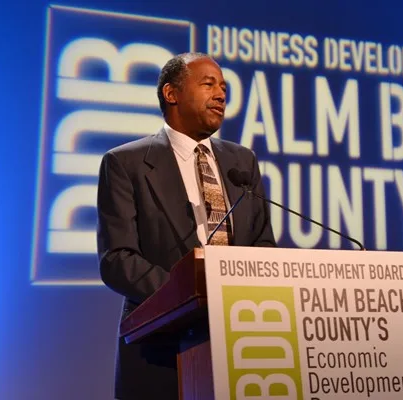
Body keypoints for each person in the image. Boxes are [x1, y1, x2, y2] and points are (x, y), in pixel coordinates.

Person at [96, 52, 276, 399]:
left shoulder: (242, 161)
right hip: (160, 350)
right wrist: (188, 296)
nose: (220, 95)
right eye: (208, 84)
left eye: (224, 88)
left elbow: (263, 244)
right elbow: (117, 259)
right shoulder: (125, 163)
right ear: (171, 93)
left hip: (241, 345)